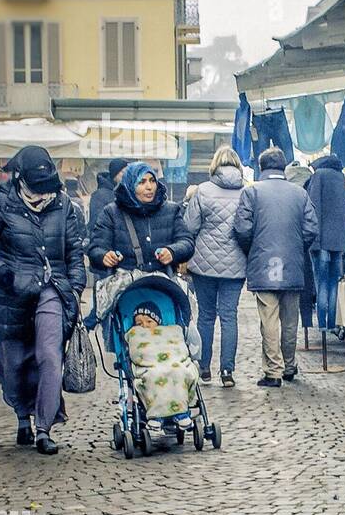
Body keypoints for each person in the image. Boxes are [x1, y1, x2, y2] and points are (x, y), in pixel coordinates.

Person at [0, 145, 86, 454]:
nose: (42, 192)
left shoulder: (63, 204)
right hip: (12, 291)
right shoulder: (2, 203)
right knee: (14, 363)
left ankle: (44, 428)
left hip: (53, 288)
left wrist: (75, 287)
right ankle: (22, 415)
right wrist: (4, 272)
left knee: (49, 356)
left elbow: (74, 250)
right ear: (21, 179)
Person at [233, 147, 318, 389]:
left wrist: (253, 248)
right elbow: (311, 228)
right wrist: (297, 247)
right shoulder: (299, 194)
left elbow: (241, 228)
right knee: (291, 319)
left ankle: (273, 371)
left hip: (263, 262)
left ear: (261, 167)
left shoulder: (251, 192)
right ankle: (289, 366)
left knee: (268, 319)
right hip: (292, 263)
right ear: (283, 166)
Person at [184, 146, 247, 386]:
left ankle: (204, 368)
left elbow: (189, 227)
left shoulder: (203, 191)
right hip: (236, 264)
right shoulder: (247, 193)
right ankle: (227, 371)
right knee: (230, 316)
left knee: (206, 316)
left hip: (203, 264)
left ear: (214, 165)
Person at [88, 161, 195, 277]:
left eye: (152, 181)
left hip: (162, 287)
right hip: (126, 288)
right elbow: (95, 248)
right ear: (130, 185)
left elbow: (187, 242)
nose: (149, 187)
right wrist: (105, 256)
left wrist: (172, 251)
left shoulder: (171, 210)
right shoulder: (111, 213)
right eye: (142, 182)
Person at [126, 300, 200, 431]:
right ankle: (156, 415)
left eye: (149, 322)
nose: (144, 326)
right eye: (139, 323)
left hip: (172, 362)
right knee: (153, 376)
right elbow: (136, 353)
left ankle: (180, 412)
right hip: (150, 366)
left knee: (179, 372)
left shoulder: (169, 331)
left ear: (158, 322)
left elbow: (180, 349)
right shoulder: (134, 334)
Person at [305, 152, 345, 334]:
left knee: (321, 283)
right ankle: (331, 323)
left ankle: (322, 325)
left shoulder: (319, 176)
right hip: (338, 241)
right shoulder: (340, 178)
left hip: (321, 240)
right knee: (333, 284)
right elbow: (344, 212)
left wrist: (314, 240)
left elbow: (314, 210)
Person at [86, 157, 129, 274]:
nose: (126, 176)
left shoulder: (125, 193)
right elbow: (97, 225)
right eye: (123, 173)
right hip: (105, 255)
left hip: (123, 256)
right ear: (115, 174)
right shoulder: (100, 195)